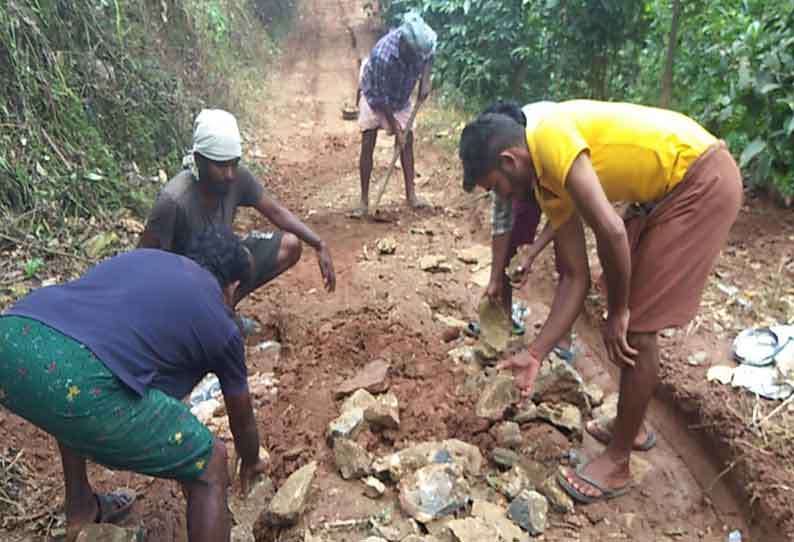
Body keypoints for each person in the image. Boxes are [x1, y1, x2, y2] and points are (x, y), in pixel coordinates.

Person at [458, 100, 742, 504]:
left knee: (638, 329)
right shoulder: (545, 181)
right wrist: (537, 353)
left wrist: (619, 312)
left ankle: (618, 460)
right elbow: (574, 275)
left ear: (509, 160)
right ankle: (634, 425)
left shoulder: (550, 138)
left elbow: (611, 231)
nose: (501, 197)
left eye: (496, 187)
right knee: (628, 311)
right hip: (666, 193)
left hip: (700, 181)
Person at [0, 225, 267, 542]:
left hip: (16, 335)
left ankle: (81, 508)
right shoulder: (222, 324)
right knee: (211, 463)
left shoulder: (145, 258)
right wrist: (250, 462)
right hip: (80, 378)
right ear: (232, 287)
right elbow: (242, 418)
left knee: (72, 383)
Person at [139, 109, 336, 331]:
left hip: (220, 271)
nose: (230, 174)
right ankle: (205, 321)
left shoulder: (236, 178)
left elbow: (276, 212)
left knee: (287, 245)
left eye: (234, 163)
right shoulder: (173, 201)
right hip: (185, 284)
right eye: (221, 166)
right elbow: (143, 263)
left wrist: (319, 243)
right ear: (198, 160)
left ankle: (225, 310)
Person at [467, 100, 577, 361]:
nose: (498, 192)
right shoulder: (502, 164)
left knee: (569, 261)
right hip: (527, 178)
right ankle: (501, 324)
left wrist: (534, 252)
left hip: (560, 177)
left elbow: (565, 212)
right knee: (511, 245)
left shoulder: (550, 144)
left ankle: (562, 341)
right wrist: (495, 277)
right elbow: (502, 222)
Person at [354, 12, 437, 216]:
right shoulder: (384, 55)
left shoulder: (424, 42)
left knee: (407, 142)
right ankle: (364, 200)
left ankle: (411, 196)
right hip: (375, 93)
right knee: (368, 140)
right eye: (414, 54)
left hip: (401, 94)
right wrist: (396, 129)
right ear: (404, 45)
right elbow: (382, 99)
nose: (418, 57)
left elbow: (430, 54)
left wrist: (425, 81)